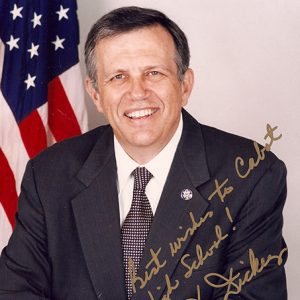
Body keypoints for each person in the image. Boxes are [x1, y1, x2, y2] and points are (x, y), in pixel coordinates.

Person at [0, 6, 287, 300]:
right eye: (118, 77)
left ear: (185, 85)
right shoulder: (48, 174)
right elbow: (16, 290)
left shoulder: (252, 174)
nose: (137, 92)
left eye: (154, 73)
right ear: (95, 94)